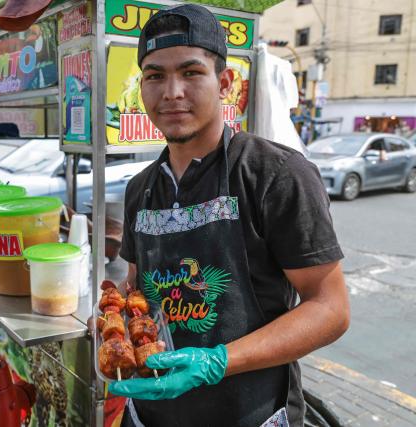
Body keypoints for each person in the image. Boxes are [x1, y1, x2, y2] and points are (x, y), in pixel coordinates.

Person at [108, 5, 349, 427]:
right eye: (154, 75)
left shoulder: (275, 175)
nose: (172, 92)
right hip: (147, 415)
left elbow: (330, 308)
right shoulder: (139, 189)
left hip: (250, 414)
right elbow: (137, 286)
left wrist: (218, 361)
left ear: (224, 83)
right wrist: (115, 321)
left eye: (191, 72)